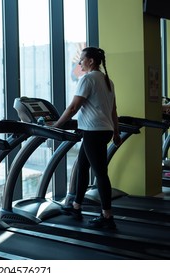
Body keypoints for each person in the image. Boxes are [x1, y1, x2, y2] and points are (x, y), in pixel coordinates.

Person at [53, 46, 122, 229]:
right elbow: (113, 110)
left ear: (90, 61)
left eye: (82, 59)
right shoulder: (108, 81)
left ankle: (107, 216)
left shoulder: (88, 79)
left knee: (100, 174)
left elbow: (73, 108)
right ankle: (76, 206)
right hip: (102, 130)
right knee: (83, 167)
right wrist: (115, 132)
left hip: (94, 132)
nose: (79, 63)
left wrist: (56, 125)